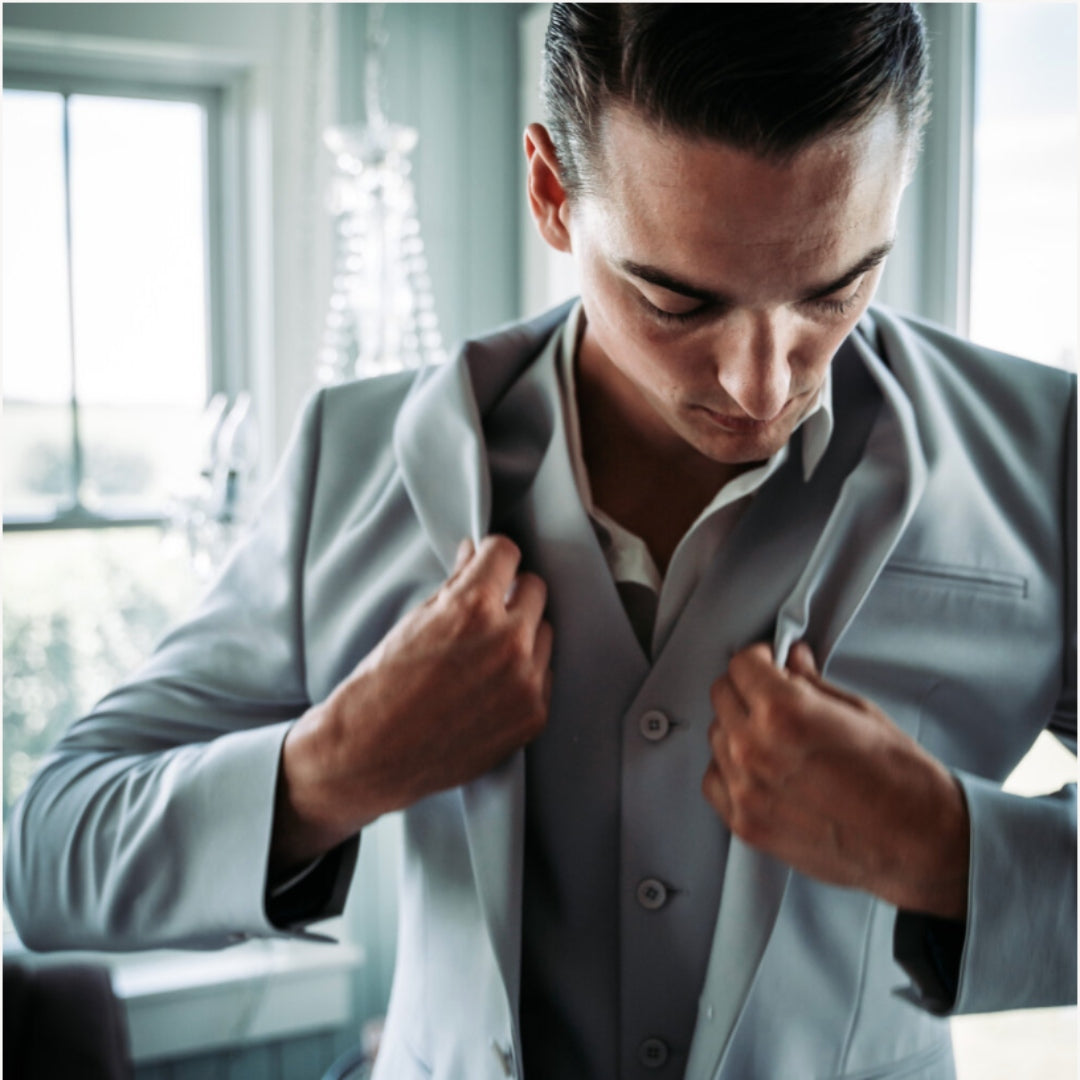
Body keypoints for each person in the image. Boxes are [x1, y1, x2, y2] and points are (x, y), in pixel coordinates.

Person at [6, 4, 1075, 1078]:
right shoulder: (353, 460)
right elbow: (51, 853)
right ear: (552, 192)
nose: (763, 383)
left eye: (835, 287)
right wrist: (336, 766)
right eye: (677, 299)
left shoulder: (1044, 458)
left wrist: (951, 848)